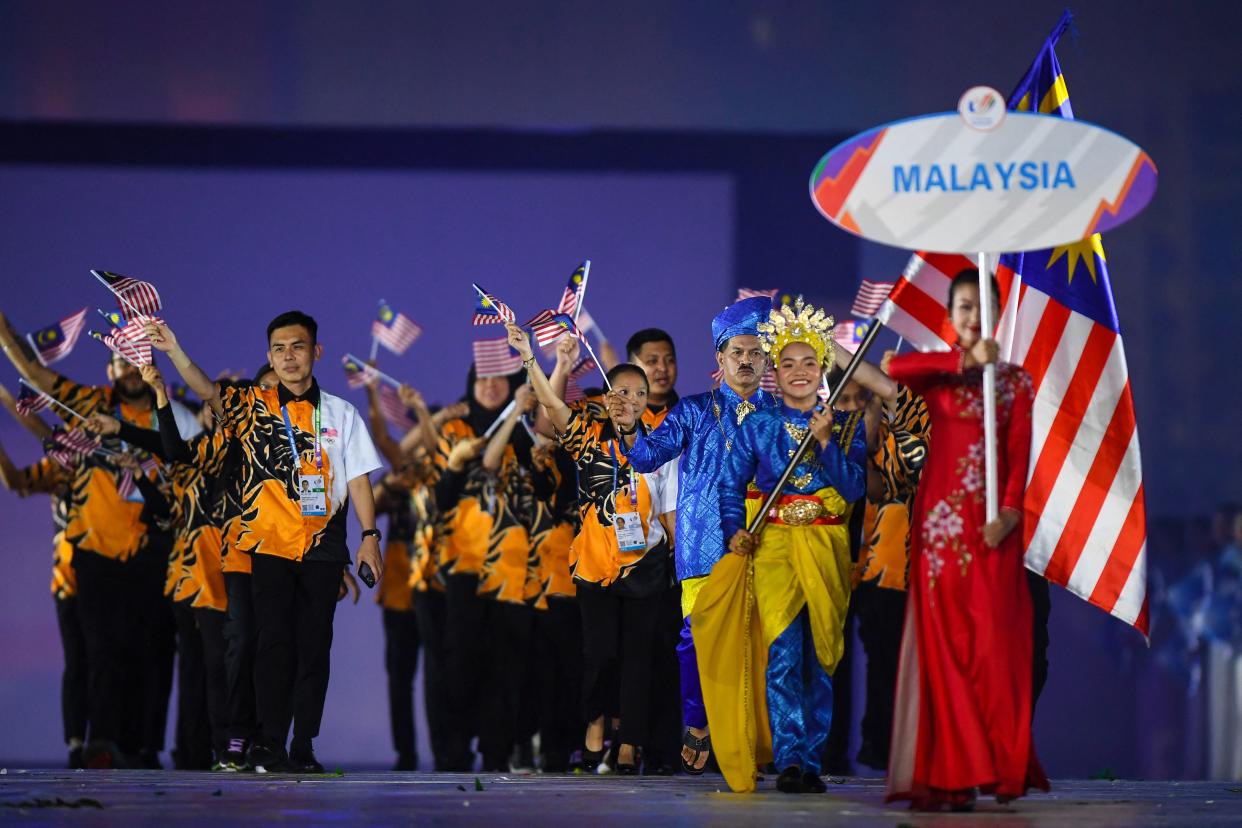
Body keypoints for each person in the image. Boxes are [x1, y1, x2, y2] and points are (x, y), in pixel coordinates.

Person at [148, 311, 383, 773]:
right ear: (268, 356)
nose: (289, 357)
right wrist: (173, 348)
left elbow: (358, 480)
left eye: (297, 347)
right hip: (269, 545)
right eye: (279, 349)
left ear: (316, 351)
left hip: (323, 546)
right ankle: (269, 743)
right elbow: (205, 389)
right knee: (272, 646)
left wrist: (370, 537)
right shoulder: (253, 404)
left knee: (315, 648)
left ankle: (304, 744)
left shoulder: (341, 413)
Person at [0, 311, 203, 769]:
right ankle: (103, 743)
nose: (130, 369)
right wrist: (3, 330)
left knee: (152, 653)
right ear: (110, 368)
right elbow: (33, 374)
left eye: (138, 359)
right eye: (121, 361)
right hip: (95, 555)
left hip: (157, 553)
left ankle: (143, 746)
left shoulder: (173, 416)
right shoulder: (89, 405)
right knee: (104, 653)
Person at [885, 270, 1050, 810]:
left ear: (998, 313)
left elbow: (1020, 452)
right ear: (949, 314)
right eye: (962, 306)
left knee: (993, 649)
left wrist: (1008, 514)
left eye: (981, 306)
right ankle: (954, 773)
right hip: (938, 530)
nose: (972, 315)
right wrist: (961, 362)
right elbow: (893, 367)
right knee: (946, 649)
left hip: (992, 532)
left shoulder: (1015, 383)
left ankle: (998, 764)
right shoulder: (939, 373)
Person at [698, 298, 866, 794]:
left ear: (822, 369)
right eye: (787, 363)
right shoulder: (759, 426)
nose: (798, 372)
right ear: (774, 368)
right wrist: (734, 530)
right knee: (785, 655)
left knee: (821, 656)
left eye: (809, 363)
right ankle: (790, 760)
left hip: (826, 547)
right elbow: (731, 485)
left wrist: (826, 445)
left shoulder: (845, 424)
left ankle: (812, 760)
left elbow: (854, 489)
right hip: (774, 551)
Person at [508, 321, 677, 775]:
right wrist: (530, 357)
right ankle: (596, 718)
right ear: (606, 397)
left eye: (634, 394)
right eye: (616, 392)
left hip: (647, 565)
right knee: (600, 652)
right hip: (593, 566)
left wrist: (680, 563)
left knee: (639, 659)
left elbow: (669, 512)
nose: (624, 401)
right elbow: (551, 404)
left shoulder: (661, 449)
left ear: (645, 403)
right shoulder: (588, 440)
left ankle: (629, 744)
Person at [621, 296, 778, 774]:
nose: (746, 361)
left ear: (767, 358)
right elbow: (646, 458)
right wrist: (628, 429)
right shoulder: (692, 412)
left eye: (755, 352)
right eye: (737, 353)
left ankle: (759, 741)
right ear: (720, 359)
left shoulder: (782, 414)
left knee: (764, 643)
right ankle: (698, 722)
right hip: (703, 546)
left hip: (768, 544)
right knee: (696, 641)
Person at [432, 356, 529, 772]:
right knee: (460, 662)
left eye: (500, 378)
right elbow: (441, 498)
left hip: (513, 567)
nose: (490, 385)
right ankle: (455, 749)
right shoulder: (454, 431)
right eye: (482, 377)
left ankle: (497, 751)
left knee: (506, 664)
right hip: (464, 564)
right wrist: (455, 465)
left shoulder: (524, 430)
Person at [0, 383, 86, 769]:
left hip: (120, 580)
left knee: (113, 661)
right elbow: (17, 483)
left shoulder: (117, 464)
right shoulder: (60, 469)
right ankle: (75, 745)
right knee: (78, 661)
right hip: (69, 578)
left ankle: (110, 740)